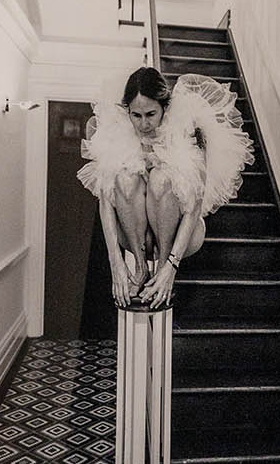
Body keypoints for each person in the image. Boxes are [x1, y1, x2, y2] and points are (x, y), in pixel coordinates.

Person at [78, 65, 252, 309]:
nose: (143, 124)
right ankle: (140, 268)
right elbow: (106, 201)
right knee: (123, 178)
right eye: (136, 115)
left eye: (151, 114)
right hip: (135, 235)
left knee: (161, 177)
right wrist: (116, 263)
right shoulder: (116, 131)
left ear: (165, 108)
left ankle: (160, 270)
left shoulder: (190, 131)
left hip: (183, 234)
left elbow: (193, 209)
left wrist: (171, 267)